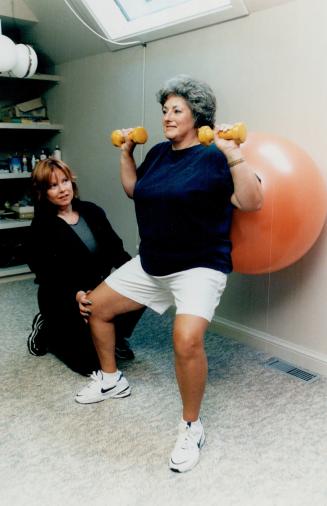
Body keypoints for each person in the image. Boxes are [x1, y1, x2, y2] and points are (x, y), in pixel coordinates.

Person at [75, 75, 263, 472]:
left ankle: (191, 425)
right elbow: (135, 190)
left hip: (199, 265)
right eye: (164, 110)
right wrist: (126, 153)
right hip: (152, 263)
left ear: (198, 115)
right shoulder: (159, 154)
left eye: (177, 110)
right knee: (95, 306)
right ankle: (111, 379)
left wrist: (233, 154)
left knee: (186, 340)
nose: (167, 116)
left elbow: (251, 201)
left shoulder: (215, 154)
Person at [26, 158, 145, 375]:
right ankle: (47, 330)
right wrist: (76, 295)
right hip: (63, 296)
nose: (62, 189)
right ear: (44, 192)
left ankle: (115, 337)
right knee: (90, 366)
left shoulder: (92, 211)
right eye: (53, 186)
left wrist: (139, 274)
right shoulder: (42, 226)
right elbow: (46, 274)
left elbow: (116, 250)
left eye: (65, 181)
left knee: (143, 287)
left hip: (97, 289)